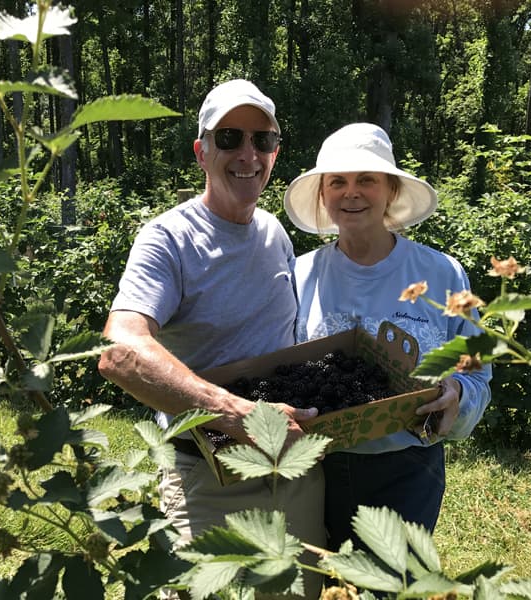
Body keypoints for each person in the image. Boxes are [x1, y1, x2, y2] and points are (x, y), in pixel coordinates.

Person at [98, 79, 325, 599]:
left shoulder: (275, 234)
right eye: (229, 139)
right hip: (207, 470)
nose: (248, 154)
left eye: (262, 141)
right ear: (201, 151)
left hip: (291, 470)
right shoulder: (168, 239)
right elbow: (120, 350)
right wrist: (234, 414)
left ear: (275, 153)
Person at [283, 122, 492, 549]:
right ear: (323, 195)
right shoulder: (298, 275)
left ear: (391, 191)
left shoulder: (443, 274)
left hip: (408, 469)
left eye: (366, 180)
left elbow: (478, 377)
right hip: (316, 469)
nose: (351, 192)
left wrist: (456, 394)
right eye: (337, 181)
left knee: (392, 585)